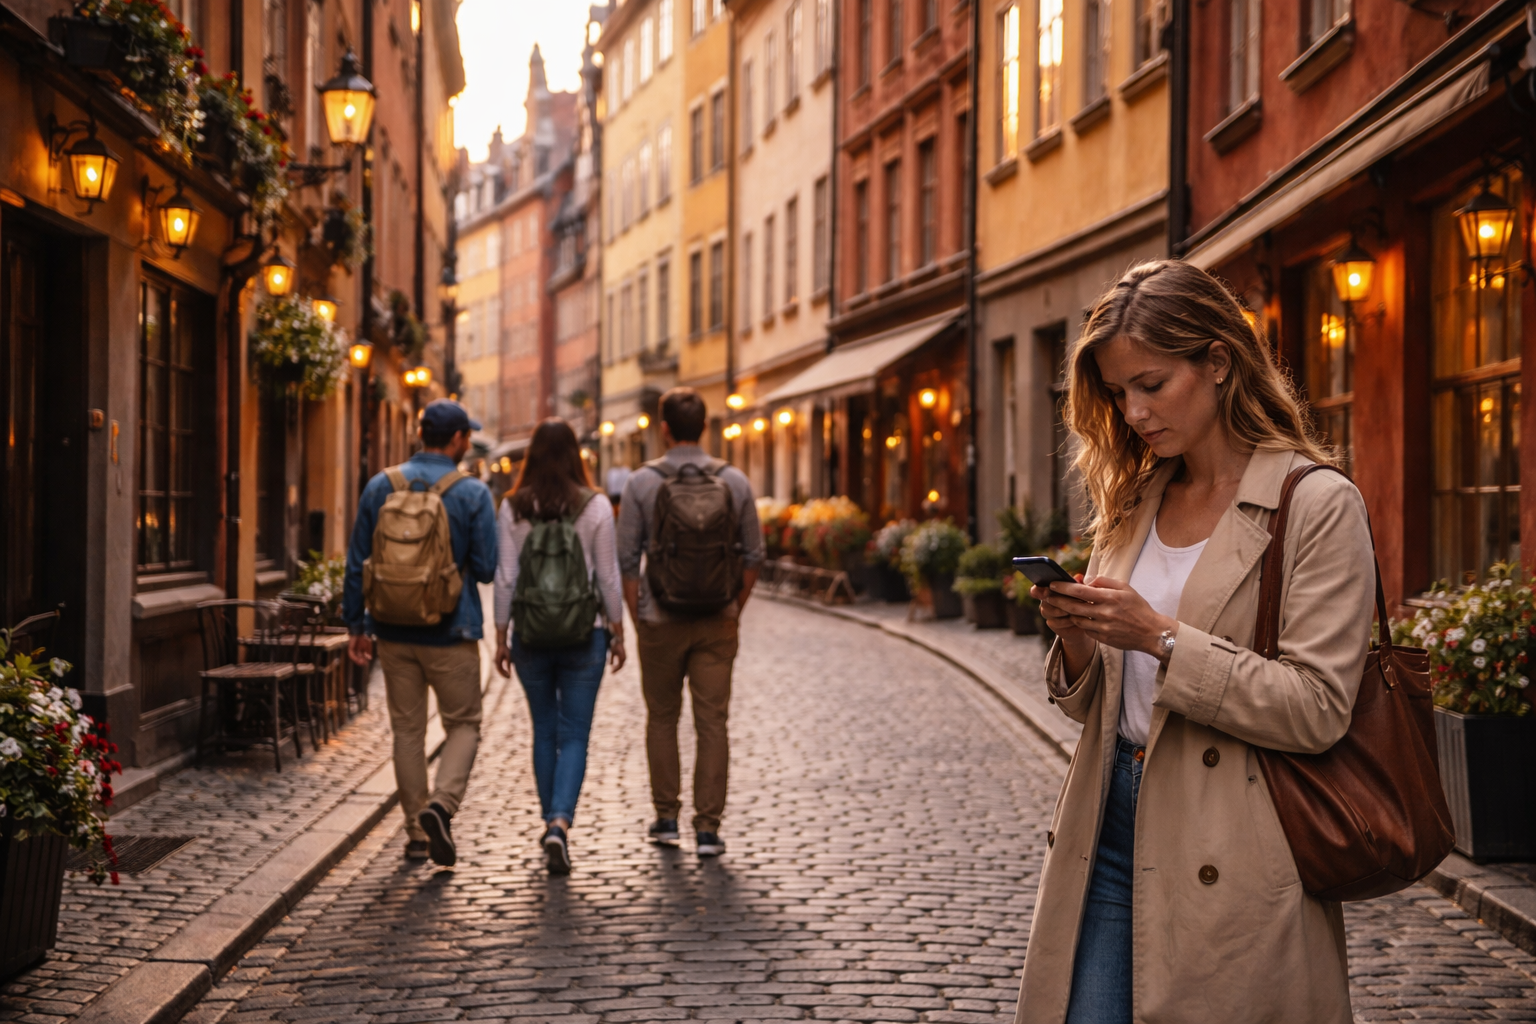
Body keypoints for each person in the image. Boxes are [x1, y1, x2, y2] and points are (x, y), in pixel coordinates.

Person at [1019, 260, 1375, 1024]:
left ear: (1218, 361)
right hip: (1106, 822)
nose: (1135, 411)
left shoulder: (1314, 504)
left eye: (1151, 383)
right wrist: (1081, 638)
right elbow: (1100, 706)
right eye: (1118, 392)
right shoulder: (1135, 497)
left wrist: (1161, 638)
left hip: (1235, 837)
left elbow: (1317, 708)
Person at [344, 399, 497, 868]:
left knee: (407, 730)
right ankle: (442, 805)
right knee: (464, 724)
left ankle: (415, 833)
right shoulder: (472, 493)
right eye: (466, 436)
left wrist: (356, 625)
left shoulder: (379, 485)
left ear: (419, 433)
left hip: (392, 630)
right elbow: (488, 569)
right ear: (456, 440)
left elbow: (357, 564)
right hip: (452, 631)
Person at [617, 388, 764, 857]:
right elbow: (754, 556)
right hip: (717, 618)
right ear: (705, 427)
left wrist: (640, 618)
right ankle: (708, 828)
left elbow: (625, 560)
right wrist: (733, 610)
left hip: (659, 617)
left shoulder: (641, 483)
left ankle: (665, 818)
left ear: (663, 429)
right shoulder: (735, 481)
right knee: (712, 722)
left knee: (662, 717)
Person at [493, 418, 626, 874]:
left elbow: (506, 576)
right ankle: (559, 823)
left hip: (529, 632)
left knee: (544, 731)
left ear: (529, 455)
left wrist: (500, 633)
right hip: (584, 632)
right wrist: (617, 627)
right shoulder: (595, 507)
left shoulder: (511, 506)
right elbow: (607, 575)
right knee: (574, 735)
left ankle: (549, 817)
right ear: (577, 455)